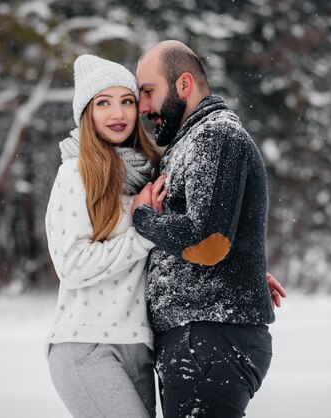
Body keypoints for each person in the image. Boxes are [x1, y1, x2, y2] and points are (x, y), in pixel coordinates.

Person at [131, 40, 284, 417]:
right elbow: (219, 232)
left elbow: (208, 242)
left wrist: (143, 218)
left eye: (148, 92)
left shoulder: (214, 136)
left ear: (184, 85)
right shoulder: (192, 143)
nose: (143, 108)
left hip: (208, 336)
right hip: (201, 335)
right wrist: (245, 269)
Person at [44, 54, 162, 418]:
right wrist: (143, 231)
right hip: (86, 343)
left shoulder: (149, 173)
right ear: (87, 113)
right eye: (104, 103)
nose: (119, 114)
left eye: (127, 101)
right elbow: (73, 265)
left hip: (139, 346)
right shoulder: (75, 173)